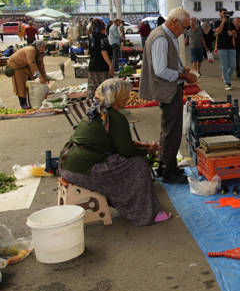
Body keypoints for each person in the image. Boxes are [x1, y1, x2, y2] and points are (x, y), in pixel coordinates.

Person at [59, 79, 171, 226]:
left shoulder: (96, 111)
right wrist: (147, 150)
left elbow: (117, 143)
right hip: (82, 170)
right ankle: (144, 214)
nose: (127, 97)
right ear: (117, 98)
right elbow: (126, 151)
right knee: (138, 164)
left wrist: (141, 146)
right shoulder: (115, 118)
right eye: (125, 95)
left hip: (68, 165)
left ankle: (131, 205)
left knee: (129, 161)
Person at [139, 7, 198, 184]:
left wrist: (182, 69)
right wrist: (183, 76)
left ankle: (165, 164)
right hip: (167, 89)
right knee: (172, 130)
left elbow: (168, 63)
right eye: (184, 27)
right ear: (174, 22)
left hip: (169, 88)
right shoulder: (160, 38)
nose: (185, 31)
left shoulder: (165, 36)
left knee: (169, 128)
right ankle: (169, 170)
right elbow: (161, 70)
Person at [6, 40, 48, 109]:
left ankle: (32, 102)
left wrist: (44, 77)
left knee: (32, 83)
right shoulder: (30, 50)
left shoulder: (40, 53)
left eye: (44, 47)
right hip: (17, 66)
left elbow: (41, 66)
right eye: (42, 47)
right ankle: (23, 104)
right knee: (21, 85)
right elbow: (32, 64)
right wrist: (39, 77)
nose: (44, 49)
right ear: (38, 47)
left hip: (26, 66)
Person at [87, 19, 114, 99]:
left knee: (93, 88)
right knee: (104, 89)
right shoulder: (102, 37)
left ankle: (92, 107)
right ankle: (104, 108)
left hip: (92, 66)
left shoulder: (91, 37)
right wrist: (110, 65)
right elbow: (103, 51)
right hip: (102, 66)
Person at [214, 9, 236, 91]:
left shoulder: (231, 23)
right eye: (223, 13)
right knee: (224, 65)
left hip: (231, 47)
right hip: (221, 47)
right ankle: (227, 83)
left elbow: (235, 35)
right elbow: (218, 32)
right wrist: (223, 21)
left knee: (233, 65)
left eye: (226, 13)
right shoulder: (217, 22)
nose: (225, 14)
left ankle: (226, 77)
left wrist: (232, 34)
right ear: (220, 14)